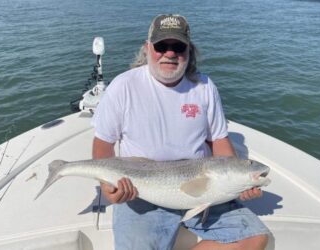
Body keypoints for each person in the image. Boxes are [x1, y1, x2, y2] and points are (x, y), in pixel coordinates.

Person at [92, 14, 270, 250]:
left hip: (203, 188)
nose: (170, 53)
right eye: (161, 46)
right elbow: (103, 144)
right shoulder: (123, 86)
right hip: (141, 191)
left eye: (178, 46)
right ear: (147, 48)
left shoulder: (205, 87)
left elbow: (219, 140)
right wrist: (109, 187)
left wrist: (238, 182)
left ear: (189, 51)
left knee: (254, 239)